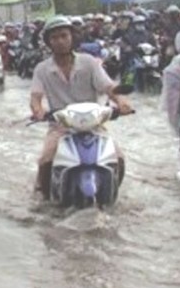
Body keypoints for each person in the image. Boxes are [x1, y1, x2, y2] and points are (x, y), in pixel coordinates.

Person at [29, 16, 133, 195]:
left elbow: (109, 87)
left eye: (64, 36)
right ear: (48, 42)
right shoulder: (42, 69)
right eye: (54, 38)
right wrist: (38, 111)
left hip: (94, 124)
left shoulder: (89, 62)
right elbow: (35, 97)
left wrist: (122, 102)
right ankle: (43, 196)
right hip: (60, 127)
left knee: (119, 158)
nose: (60, 41)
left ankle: (113, 193)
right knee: (45, 160)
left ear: (72, 37)